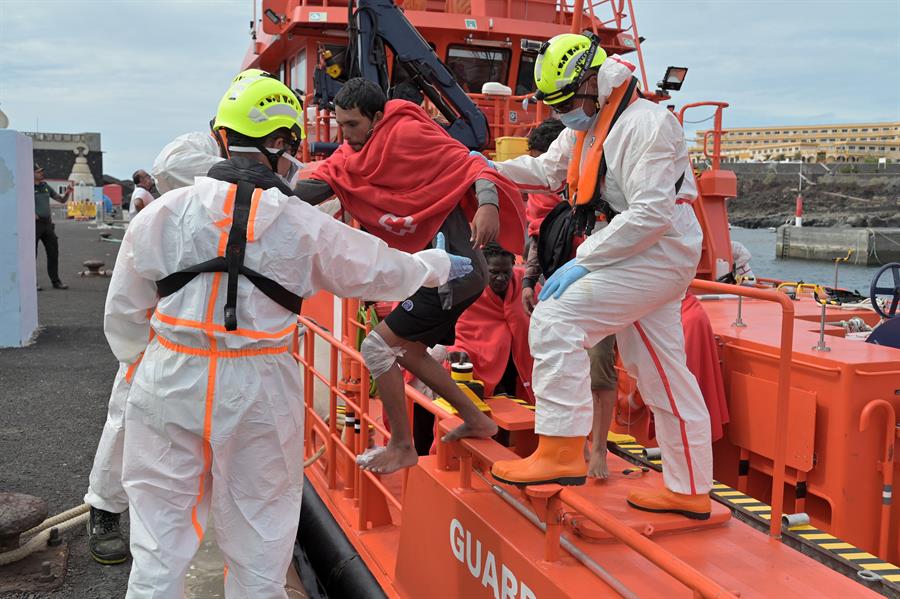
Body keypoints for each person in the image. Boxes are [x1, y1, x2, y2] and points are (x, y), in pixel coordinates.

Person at [106, 70, 472, 597]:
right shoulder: (302, 224)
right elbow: (378, 268)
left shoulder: (161, 214)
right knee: (259, 546)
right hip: (259, 385)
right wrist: (435, 266)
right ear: (285, 145)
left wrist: (148, 366)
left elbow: (123, 313)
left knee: (158, 550)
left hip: (167, 377)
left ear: (222, 137)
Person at [488, 33, 712, 520]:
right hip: (639, 248)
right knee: (662, 372)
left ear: (592, 82)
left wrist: (584, 259)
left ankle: (561, 449)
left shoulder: (648, 125)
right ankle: (690, 487)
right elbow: (547, 171)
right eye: (555, 105)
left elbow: (652, 213)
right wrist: (487, 167)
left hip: (657, 249)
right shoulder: (590, 124)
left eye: (566, 102)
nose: (562, 112)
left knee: (556, 318)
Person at [297, 78, 526, 474]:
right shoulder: (355, 155)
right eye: (340, 124)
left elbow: (473, 163)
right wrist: (260, 194)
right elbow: (322, 184)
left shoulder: (408, 134)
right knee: (409, 351)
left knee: (376, 348)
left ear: (377, 118)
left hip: (454, 271)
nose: (344, 135)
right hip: (430, 273)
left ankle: (402, 446)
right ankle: (477, 420)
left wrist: (487, 205)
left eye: (352, 125)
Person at [83, 132, 225, 566]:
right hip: (159, 347)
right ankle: (104, 509)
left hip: (220, 353)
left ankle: (193, 520)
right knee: (125, 422)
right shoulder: (157, 223)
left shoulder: (236, 216)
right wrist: (137, 356)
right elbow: (125, 303)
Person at [450, 242, 534, 401]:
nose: (501, 278)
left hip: (520, 361)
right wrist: (457, 349)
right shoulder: (470, 289)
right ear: (483, 268)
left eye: (506, 272)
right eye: (494, 272)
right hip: (484, 360)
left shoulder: (526, 284)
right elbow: (461, 329)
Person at [33, 164, 71, 290]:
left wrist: (67, 193)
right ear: (32, 174)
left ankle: (56, 281)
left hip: (47, 224)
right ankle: (32, 282)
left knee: (53, 252)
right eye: (39, 172)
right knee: (32, 255)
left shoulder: (45, 186)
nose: (41, 173)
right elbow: (21, 203)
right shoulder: (27, 187)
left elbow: (61, 200)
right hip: (34, 225)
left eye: (41, 171)